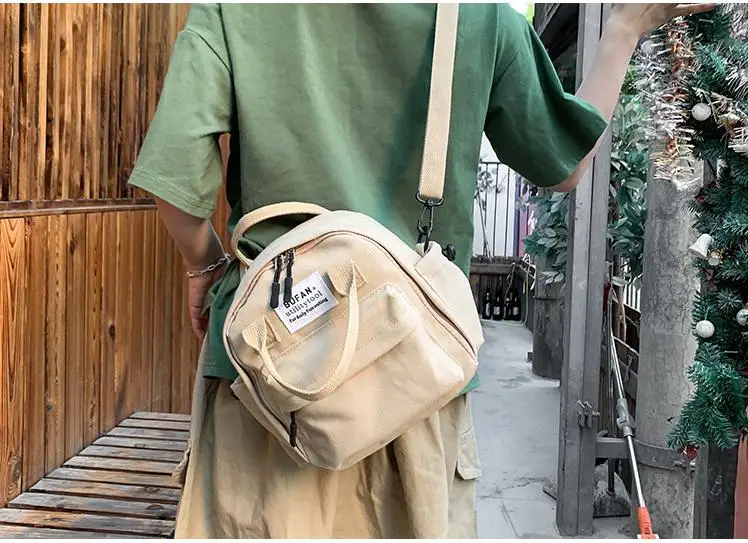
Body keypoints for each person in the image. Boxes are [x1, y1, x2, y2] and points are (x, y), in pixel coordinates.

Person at [128, 3, 714, 538]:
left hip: (269, 373)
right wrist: (624, 29)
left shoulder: (232, 10)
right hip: (411, 376)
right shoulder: (482, 18)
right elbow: (563, 163)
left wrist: (204, 267)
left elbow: (175, 183)